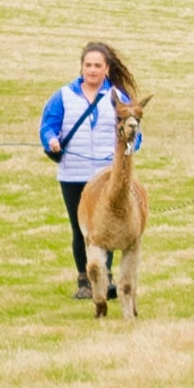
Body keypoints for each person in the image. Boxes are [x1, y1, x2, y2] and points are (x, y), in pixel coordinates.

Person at [35, 41, 141, 290]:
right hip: (73, 173)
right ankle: (84, 279)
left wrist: (128, 151)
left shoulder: (118, 98)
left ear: (107, 69)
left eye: (97, 66)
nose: (92, 70)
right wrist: (51, 140)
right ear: (81, 67)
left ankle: (104, 277)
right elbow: (48, 126)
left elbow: (135, 132)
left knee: (106, 227)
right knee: (80, 228)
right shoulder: (63, 96)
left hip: (106, 173)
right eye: (88, 65)